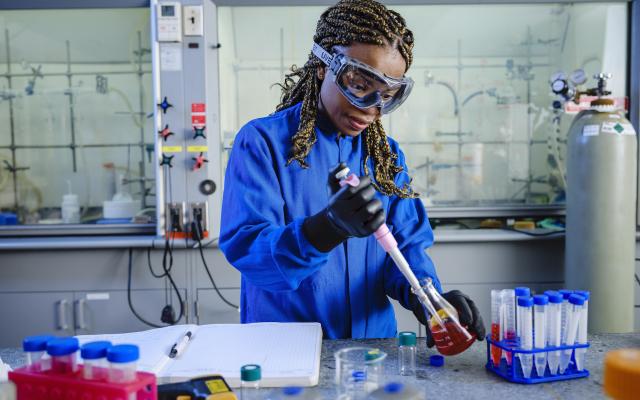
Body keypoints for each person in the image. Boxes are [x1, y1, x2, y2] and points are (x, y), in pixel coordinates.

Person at [220, 0, 485, 343]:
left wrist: (428, 298)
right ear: (322, 66)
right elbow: (250, 250)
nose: (372, 109)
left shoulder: (386, 157)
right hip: (285, 352)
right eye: (359, 85)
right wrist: (325, 229)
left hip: (372, 349)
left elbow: (404, 249)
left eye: (386, 96)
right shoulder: (262, 143)